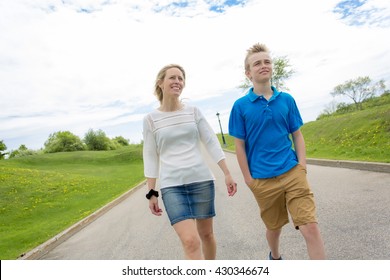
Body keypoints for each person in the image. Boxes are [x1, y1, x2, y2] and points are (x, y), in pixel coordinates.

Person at [228, 43, 326, 260]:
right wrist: (248, 179)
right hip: (262, 180)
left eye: (267, 61)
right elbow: (239, 146)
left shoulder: (287, 100)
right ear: (248, 73)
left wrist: (302, 166)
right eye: (257, 63)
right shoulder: (240, 106)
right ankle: (275, 256)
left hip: (292, 171)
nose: (263, 66)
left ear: (272, 67)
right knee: (274, 227)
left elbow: (297, 135)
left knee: (310, 227)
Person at [143, 64, 237, 260]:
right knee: (190, 241)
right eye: (172, 77)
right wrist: (151, 192)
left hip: (201, 181)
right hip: (172, 187)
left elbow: (211, 141)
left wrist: (227, 173)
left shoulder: (193, 112)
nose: (178, 81)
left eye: (181, 78)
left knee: (206, 235)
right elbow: (150, 155)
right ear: (160, 83)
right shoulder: (151, 119)